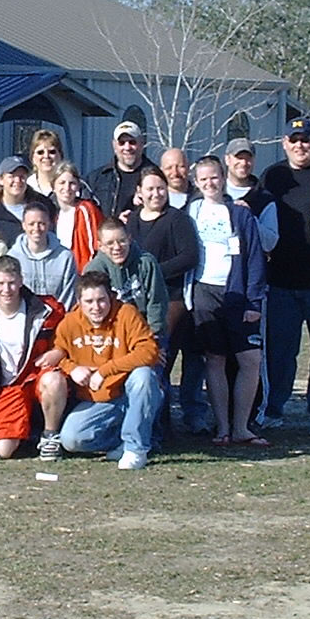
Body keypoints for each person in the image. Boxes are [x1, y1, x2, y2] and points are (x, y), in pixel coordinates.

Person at [260, 116, 310, 435]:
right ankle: (273, 408)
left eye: (305, 139)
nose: (300, 145)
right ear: (284, 143)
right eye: (293, 140)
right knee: (280, 352)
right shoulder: (274, 175)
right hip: (281, 280)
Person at [186, 155, 268, 446]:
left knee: (250, 359)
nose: (210, 183)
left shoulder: (240, 214)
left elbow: (255, 258)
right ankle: (222, 427)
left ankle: (242, 426)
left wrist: (254, 302)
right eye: (204, 179)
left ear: (223, 178)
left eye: (214, 177)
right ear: (196, 182)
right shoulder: (191, 212)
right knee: (215, 359)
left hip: (237, 293)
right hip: (204, 291)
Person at [53, 271, 162, 469]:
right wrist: (72, 368)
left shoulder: (126, 314)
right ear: (79, 301)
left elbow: (149, 351)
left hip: (129, 393)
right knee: (71, 440)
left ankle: (136, 449)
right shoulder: (69, 323)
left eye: (101, 300)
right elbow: (56, 353)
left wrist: (105, 371)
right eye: (89, 301)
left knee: (144, 375)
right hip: (97, 400)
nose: (96, 307)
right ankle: (124, 441)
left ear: (111, 297)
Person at [0, 255, 68, 460]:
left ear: (21, 281)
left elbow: (70, 336)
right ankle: (27, 431)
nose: (7, 289)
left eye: (12, 283)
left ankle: (50, 436)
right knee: (3, 450)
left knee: (54, 380)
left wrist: (59, 351)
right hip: (6, 385)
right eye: (1, 283)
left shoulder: (46, 309)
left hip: (35, 375)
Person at [126, 164, 200, 426]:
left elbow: (189, 257)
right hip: (137, 300)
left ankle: (161, 426)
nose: (156, 194)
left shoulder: (177, 219)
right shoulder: (132, 220)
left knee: (159, 359)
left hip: (171, 299)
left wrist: (153, 272)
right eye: (150, 189)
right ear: (139, 191)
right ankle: (145, 420)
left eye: (160, 188)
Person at [224, 137, 280, 425]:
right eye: (238, 157)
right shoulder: (212, 192)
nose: (243, 163)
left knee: (252, 355)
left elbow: (271, 241)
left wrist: (248, 217)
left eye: (247, 158)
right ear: (227, 160)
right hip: (216, 287)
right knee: (217, 357)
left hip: (250, 287)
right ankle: (221, 417)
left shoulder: (263, 199)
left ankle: (254, 414)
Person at [84, 217, 168, 341]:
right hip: (110, 332)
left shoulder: (146, 263)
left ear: (129, 239)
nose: (117, 247)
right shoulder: (94, 269)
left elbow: (157, 301)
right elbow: (92, 308)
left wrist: (153, 334)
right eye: (110, 243)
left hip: (145, 328)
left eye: (122, 241)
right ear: (100, 246)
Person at [7, 197, 76, 307]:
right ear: (23, 225)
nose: (37, 228)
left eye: (41, 223)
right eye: (31, 224)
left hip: (58, 315)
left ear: (49, 224)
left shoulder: (65, 257)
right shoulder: (12, 258)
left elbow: (69, 296)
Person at [0, 155, 52, 247]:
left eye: (22, 176)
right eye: (12, 176)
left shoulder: (44, 205)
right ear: (1, 180)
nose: (18, 180)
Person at [88, 120, 147, 220]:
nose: (127, 147)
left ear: (141, 143)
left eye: (132, 142)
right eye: (122, 143)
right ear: (114, 145)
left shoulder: (155, 177)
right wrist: (116, 222)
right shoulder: (96, 179)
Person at [50, 161, 103, 273]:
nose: (67, 188)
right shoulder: (52, 214)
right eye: (62, 183)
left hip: (84, 274)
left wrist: (88, 273)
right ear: (53, 186)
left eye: (72, 183)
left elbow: (96, 246)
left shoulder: (86, 209)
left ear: (78, 186)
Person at [26, 128, 68, 199]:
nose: (46, 156)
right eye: (40, 152)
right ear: (32, 157)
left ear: (60, 155)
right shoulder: (25, 187)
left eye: (52, 152)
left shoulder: (73, 186)